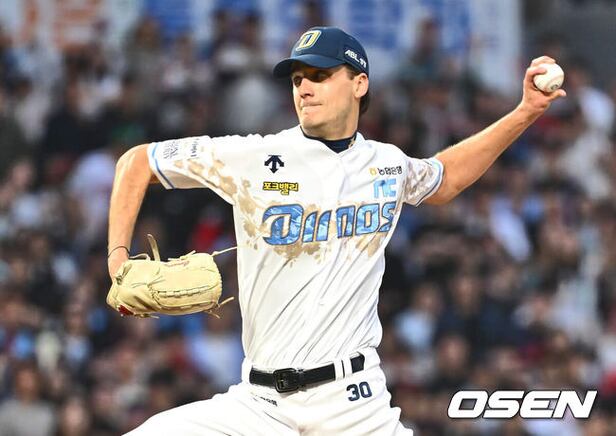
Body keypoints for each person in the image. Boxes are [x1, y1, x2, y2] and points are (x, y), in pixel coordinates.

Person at [107, 26, 565, 435]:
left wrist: (525, 111)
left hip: (355, 405)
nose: (304, 88)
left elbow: (445, 180)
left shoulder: (387, 165)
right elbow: (136, 162)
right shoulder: (254, 157)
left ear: (359, 83)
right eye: (297, 79)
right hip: (260, 404)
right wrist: (118, 261)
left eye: (320, 75)